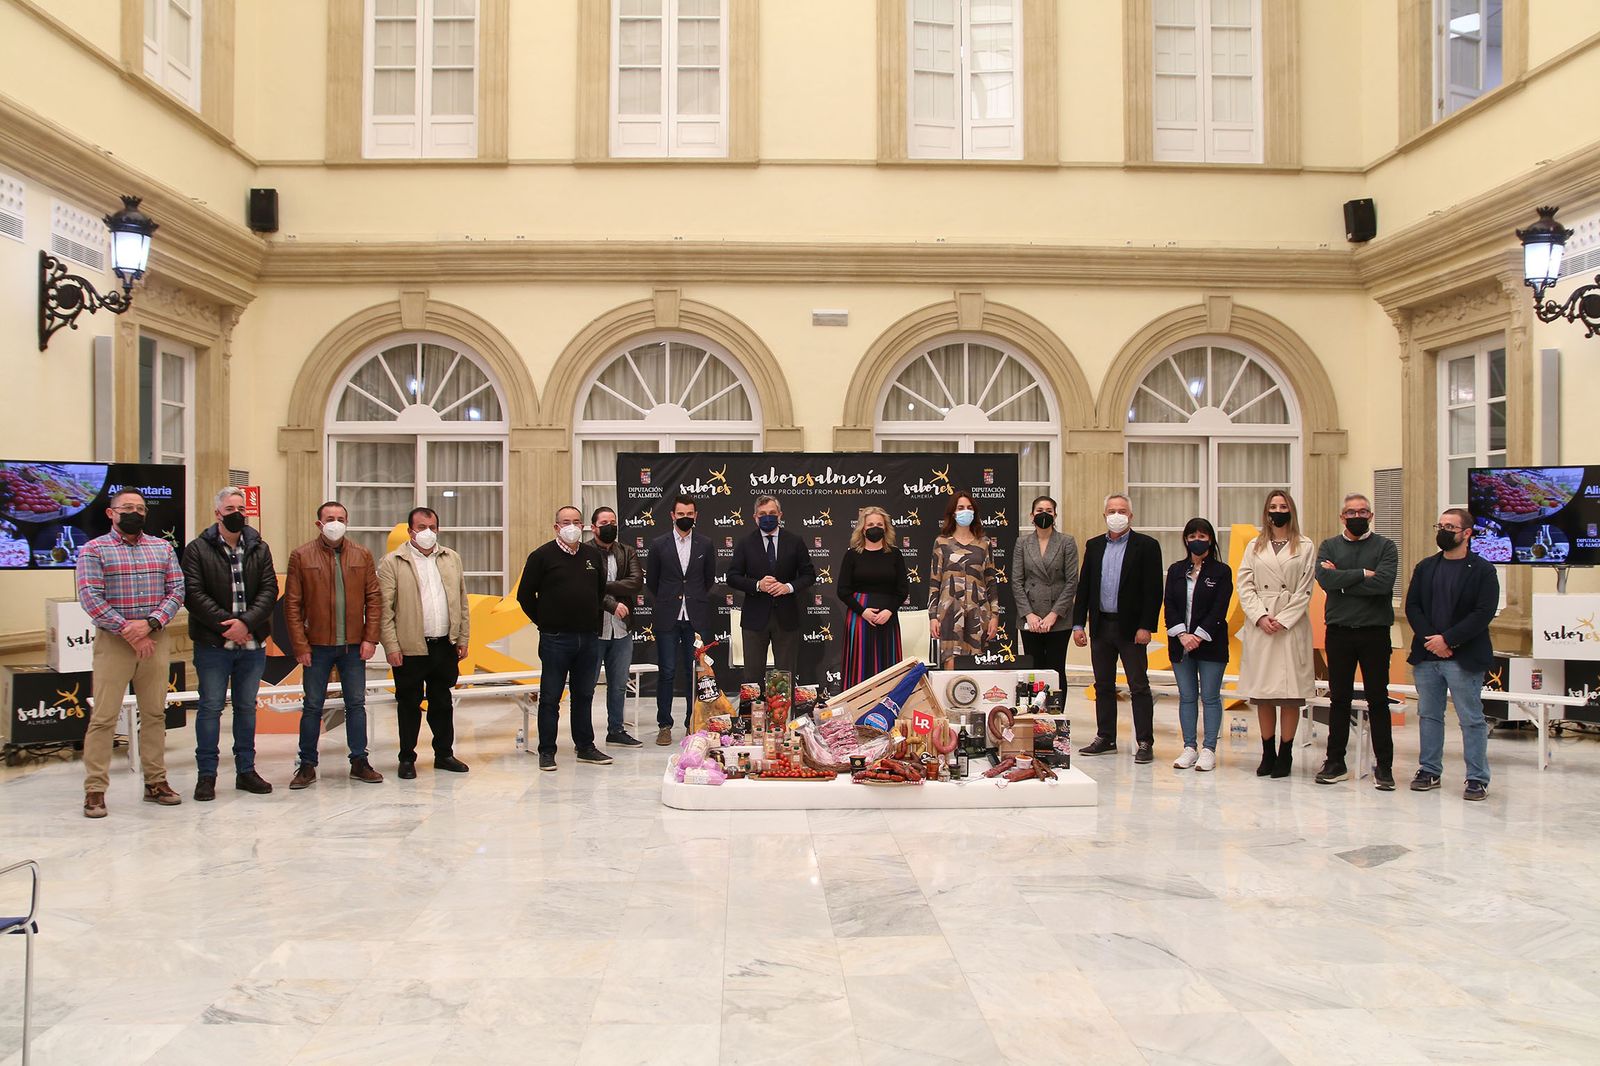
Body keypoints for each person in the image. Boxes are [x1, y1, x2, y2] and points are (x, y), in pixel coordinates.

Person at [76, 489, 186, 818]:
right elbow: (90, 596)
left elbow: (176, 590)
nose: (134, 512)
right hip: (114, 642)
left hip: (154, 638)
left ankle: (156, 782)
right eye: (127, 507)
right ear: (111, 513)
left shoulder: (162, 548)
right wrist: (128, 629)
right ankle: (95, 790)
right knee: (104, 717)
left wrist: (150, 623)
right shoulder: (94, 549)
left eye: (140, 508)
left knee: (154, 714)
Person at [182, 487, 278, 802]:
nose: (236, 513)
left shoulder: (259, 547)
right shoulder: (197, 549)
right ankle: (206, 775)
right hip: (213, 644)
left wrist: (246, 624)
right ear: (217, 514)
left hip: (252, 644)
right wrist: (229, 626)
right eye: (229, 509)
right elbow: (193, 594)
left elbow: (269, 589)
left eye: (240, 508)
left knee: (246, 708)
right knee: (210, 708)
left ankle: (246, 770)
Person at [283, 501, 385, 789]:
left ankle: (359, 761)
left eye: (341, 518)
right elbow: (292, 605)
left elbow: (374, 599)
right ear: (319, 524)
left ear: (347, 522)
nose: (335, 523)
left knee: (356, 704)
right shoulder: (301, 556)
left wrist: (370, 638)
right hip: (316, 646)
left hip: (353, 646)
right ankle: (306, 764)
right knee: (312, 706)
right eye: (330, 518)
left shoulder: (362, 554)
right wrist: (300, 645)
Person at [1405, 508, 1499, 801]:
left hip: (1464, 657)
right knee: (1429, 715)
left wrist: (1448, 640)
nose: (1443, 531)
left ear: (1467, 533)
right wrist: (1432, 640)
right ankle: (1429, 770)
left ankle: (1477, 778)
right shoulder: (1425, 567)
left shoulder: (1483, 570)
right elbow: (1413, 607)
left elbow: (1483, 613)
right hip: (1427, 656)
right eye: (1440, 526)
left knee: (1471, 719)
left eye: (1450, 527)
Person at [517, 506, 614, 771]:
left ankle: (585, 746)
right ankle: (547, 751)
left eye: (576, 522)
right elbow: (525, 596)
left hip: (588, 638)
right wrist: (545, 622)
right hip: (555, 639)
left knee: (584, 695)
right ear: (556, 527)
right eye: (566, 522)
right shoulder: (541, 556)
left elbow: (599, 591)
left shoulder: (592, 555)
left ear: (583, 526)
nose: (572, 526)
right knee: (550, 697)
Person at [1314, 492, 1400, 790]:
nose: (1357, 517)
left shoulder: (1386, 546)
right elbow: (1325, 580)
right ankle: (1335, 762)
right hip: (1339, 632)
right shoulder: (1329, 546)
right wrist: (1363, 574)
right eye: (1351, 512)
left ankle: (1384, 766)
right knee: (1339, 699)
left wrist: (1342, 582)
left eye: (1363, 512)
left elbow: (1383, 584)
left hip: (1375, 632)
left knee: (1378, 699)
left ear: (1371, 516)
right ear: (1342, 517)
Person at [378, 507, 472, 779]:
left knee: (442, 702)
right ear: (410, 531)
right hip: (410, 648)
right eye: (421, 527)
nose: (427, 532)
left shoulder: (451, 558)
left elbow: (462, 601)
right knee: (409, 704)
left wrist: (462, 638)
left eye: (432, 527)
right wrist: (391, 646)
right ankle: (407, 758)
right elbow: (385, 609)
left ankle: (444, 754)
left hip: (444, 645)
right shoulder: (393, 562)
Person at [1072, 494, 1164, 763]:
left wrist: (1146, 626)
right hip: (1101, 626)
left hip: (1132, 629)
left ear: (1130, 516)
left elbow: (1153, 591)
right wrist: (1078, 624)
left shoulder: (1147, 546)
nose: (1116, 515)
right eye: (1112, 510)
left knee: (1138, 686)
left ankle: (1144, 741)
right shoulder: (1094, 546)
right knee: (1103, 685)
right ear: (1104, 515)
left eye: (1122, 511)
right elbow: (1084, 587)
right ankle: (1106, 737)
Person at [1237, 489, 1317, 780]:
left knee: (1289, 695)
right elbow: (1244, 584)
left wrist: (1283, 620)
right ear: (1266, 511)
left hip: (1290, 625)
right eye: (1273, 506)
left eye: (1283, 506)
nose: (1278, 511)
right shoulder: (1254, 546)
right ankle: (1267, 751)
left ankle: (1286, 752)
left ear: (1291, 510)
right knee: (1264, 694)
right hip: (1261, 624)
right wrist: (1260, 616)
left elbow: (1305, 588)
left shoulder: (1305, 545)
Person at [1164, 518, 1233, 772]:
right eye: (1192, 536)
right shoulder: (1176, 569)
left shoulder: (1221, 571)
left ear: (1211, 540)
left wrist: (1198, 636)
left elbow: (1219, 608)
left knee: (1211, 697)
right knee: (1187, 696)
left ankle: (1209, 749)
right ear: (1186, 539)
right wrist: (1182, 635)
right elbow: (1169, 605)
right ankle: (1189, 747)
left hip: (1210, 643)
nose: (1197, 540)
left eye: (1202, 536)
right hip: (1180, 643)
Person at [646, 494, 716, 745]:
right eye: (680, 514)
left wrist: (692, 598)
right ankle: (664, 725)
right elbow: (652, 582)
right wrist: (669, 599)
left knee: (693, 673)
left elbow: (708, 579)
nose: (685, 518)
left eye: (689, 514)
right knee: (666, 672)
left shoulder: (705, 544)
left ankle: (691, 723)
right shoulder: (658, 544)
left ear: (695, 516)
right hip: (668, 616)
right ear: (672, 516)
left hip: (695, 617)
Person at [726, 495, 816, 683]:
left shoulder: (795, 541)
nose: (768, 517)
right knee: (752, 678)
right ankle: (755, 705)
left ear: (780, 515)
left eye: (772, 513)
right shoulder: (745, 543)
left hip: (787, 618)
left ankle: (784, 704)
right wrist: (758, 585)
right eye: (762, 514)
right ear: (755, 517)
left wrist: (788, 587)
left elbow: (809, 575)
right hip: (754, 619)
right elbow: (732, 577)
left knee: (785, 677)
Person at [836, 506, 910, 688]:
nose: (875, 528)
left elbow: (902, 590)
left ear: (886, 528)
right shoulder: (852, 555)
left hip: (887, 617)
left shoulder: (895, 554)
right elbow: (843, 590)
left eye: (879, 524)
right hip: (859, 617)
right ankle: (857, 702)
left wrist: (889, 611)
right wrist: (863, 612)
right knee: (859, 664)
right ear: (863, 528)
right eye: (870, 524)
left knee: (887, 665)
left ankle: (888, 702)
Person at [589, 506, 644, 747]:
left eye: (613, 522)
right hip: (594, 629)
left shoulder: (627, 551)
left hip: (622, 629)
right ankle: (584, 737)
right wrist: (611, 602)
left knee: (619, 684)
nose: (610, 526)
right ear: (594, 527)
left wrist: (603, 584)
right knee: (587, 686)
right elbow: (585, 587)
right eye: (604, 523)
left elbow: (635, 583)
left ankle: (616, 730)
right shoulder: (585, 552)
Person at [928, 491, 1000, 668]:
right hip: (949, 612)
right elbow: (934, 581)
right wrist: (932, 616)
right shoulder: (941, 542)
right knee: (951, 663)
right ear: (953, 513)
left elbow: (991, 581)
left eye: (969, 507)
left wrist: (994, 615)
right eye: (960, 508)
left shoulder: (984, 543)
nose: (965, 511)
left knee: (975, 665)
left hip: (979, 612)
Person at [1013, 494, 1078, 689]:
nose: (1044, 514)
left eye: (1049, 511)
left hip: (1058, 619)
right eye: (1040, 511)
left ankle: (1057, 709)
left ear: (1055, 515)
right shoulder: (1022, 543)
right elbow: (1017, 581)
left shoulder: (1067, 542)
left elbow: (1072, 582)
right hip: (1030, 619)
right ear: (1031, 515)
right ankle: (1035, 708)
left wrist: (1053, 615)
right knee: (1034, 670)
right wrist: (1029, 614)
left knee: (1056, 669)